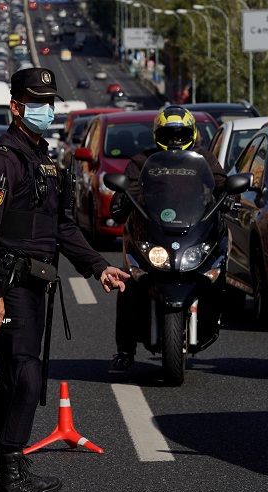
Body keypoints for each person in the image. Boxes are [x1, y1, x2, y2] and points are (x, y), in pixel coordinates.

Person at [0, 67, 129, 492]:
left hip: (37, 279)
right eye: (36, 103)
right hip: (11, 280)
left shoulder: (42, 159)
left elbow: (61, 227)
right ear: (16, 107)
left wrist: (98, 267)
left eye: (50, 102)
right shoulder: (2, 159)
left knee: (18, 378)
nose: (46, 110)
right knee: (25, 374)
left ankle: (13, 472)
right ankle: (9, 479)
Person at [107, 105, 228, 373]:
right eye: (168, 134)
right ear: (157, 134)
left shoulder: (204, 158)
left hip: (192, 230)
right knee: (128, 282)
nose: (174, 139)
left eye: (180, 133)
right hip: (151, 233)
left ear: (192, 133)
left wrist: (229, 195)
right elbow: (129, 186)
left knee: (219, 266)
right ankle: (125, 350)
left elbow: (220, 182)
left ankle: (213, 314)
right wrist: (121, 200)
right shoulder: (142, 161)